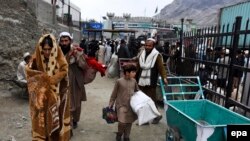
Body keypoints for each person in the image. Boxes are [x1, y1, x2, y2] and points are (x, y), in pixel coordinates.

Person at [26, 34, 70, 140]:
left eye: (49, 49)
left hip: (56, 93)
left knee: (55, 118)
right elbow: (29, 70)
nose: (46, 52)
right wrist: (40, 78)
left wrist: (51, 80)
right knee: (41, 118)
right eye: (44, 49)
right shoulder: (37, 55)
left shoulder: (58, 54)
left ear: (53, 48)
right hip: (41, 95)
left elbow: (64, 69)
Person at [59, 31, 87, 129]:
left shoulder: (77, 51)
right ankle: (66, 120)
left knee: (77, 102)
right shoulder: (57, 52)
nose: (64, 43)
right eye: (62, 41)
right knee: (64, 101)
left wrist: (77, 57)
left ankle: (75, 119)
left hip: (75, 80)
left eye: (66, 41)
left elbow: (84, 66)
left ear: (70, 41)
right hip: (62, 80)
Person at [136, 38, 168, 124]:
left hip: (151, 82)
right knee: (142, 100)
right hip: (140, 81)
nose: (147, 47)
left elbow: (161, 68)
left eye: (149, 45)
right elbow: (138, 66)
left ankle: (157, 115)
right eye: (146, 45)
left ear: (153, 46)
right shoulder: (142, 54)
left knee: (151, 101)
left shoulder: (157, 55)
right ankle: (145, 119)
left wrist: (164, 77)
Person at [109, 64, 139, 141]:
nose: (135, 73)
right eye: (133, 72)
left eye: (135, 72)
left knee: (129, 122)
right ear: (127, 73)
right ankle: (119, 133)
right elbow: (114, 94)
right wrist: (111, 103)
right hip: (121, 105)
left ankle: (126, 136)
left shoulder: (134, 81)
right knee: (122, 122)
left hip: (131, 106)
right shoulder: (119, 81)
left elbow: (137, 92)